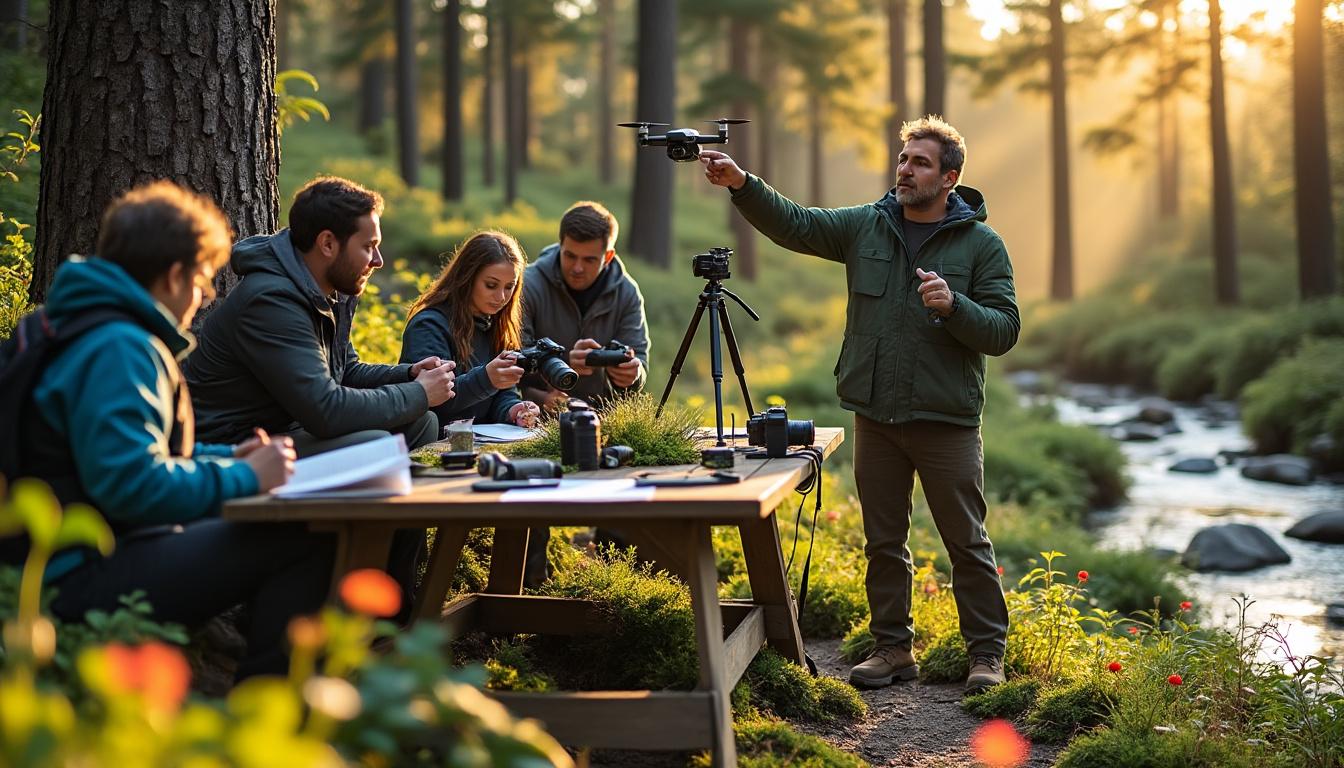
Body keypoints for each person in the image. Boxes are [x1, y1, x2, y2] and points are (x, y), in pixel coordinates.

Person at [700, 116, 1019, 694]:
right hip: (876, 416)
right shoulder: (866, 226)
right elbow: (796, 224)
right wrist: (742, 184)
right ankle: (893, 649)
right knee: (883, 543)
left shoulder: (982, 245)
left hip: (946, 421)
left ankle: (987, 657)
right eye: (903, 158)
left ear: (949, 177)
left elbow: (1004, 330)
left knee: (967, 543)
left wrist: (955, 306)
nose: (906, 169)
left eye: (920, 162)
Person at [19, 180, 332, 679]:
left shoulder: (72, 324)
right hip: (72, 579)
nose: (207, 296)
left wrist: (229, 458)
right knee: (304, 533)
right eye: (203, 278)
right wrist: (247, 478)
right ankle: (273, 705)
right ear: (172, 276)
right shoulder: (121, 347)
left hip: (57, 561)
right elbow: (132, 485)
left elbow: (134, 454)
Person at [185, 176, 456, 618]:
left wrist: (408, 375)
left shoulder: (328, 288)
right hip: (239, 449)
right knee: (378, 448)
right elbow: (326, 410)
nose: (378, 260)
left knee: (420, 423)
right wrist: (417, 392)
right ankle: (349, 600)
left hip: (288, 433)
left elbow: (345, 371)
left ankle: (396, 600)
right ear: (328, 243)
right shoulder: (271, 301)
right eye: (369, 247)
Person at [399, 231, 541, 429]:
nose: (501, 296)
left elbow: (502, 393)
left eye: (509, 286)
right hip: (433, 440)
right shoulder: (429, 325)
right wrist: (486, 379)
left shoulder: (496, 323)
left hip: (482, 440)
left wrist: (513, 410)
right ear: (467, 278)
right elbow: (432, 399)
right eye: (491, 285)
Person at [521, 201, 649, 410]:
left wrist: (633, 375)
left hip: (603, 418)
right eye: (570, 256)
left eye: (589, 260)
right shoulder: (527, 285)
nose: (577, 268)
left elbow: (639, 361)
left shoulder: (627, 293)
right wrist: (564, 363)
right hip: (535, 416)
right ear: (561, 245)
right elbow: (512, 360)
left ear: (608, 257)